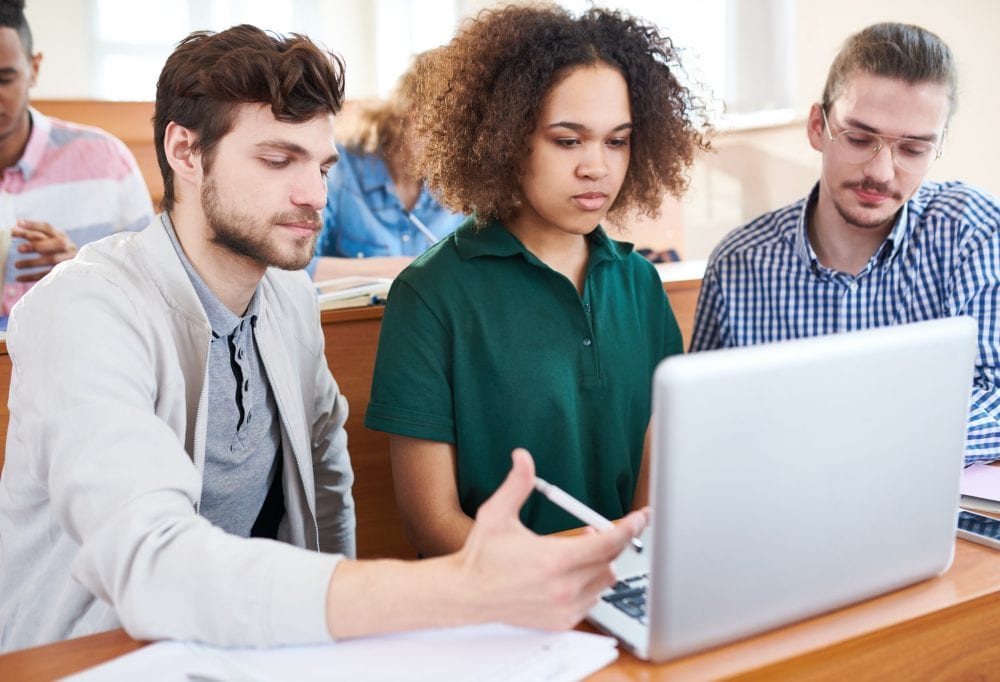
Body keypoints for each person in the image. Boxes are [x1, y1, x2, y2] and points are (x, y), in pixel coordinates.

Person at [0, 24, 646, 653]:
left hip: (252, 651)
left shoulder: (285, 298)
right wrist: (448, 587)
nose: (313, 195)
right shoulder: (84, 310)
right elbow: (151, 563)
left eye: (323, 165)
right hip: (93, 657)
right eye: (279, 160)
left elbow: (328, 496)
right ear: (185, 151)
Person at [365, 5, 710, 556]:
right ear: (505, 138)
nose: (597, 167)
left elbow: (653, 495)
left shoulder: (641, 286)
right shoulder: (431, 296)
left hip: (625, 588)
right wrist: (550, 576)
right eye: (568, 140)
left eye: (617, 141)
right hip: (501, 604)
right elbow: (432, 525)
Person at [690, 22, 1000, 464]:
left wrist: (854, 447)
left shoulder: (976, 231)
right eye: (860, 138)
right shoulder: (739, 264)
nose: (882, 172)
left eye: (912, 150)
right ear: (817, 127)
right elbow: (705, 429)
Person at [0, 0, 152, 324]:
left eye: (4, 79)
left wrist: (85, 270)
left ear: (34, 69)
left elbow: (154, 285)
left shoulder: (106, 161)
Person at [309, 51, 464, 281]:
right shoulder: (339, 170)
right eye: (440, 121)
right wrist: (408, 270)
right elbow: (296, 270)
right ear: (406, 110)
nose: (450, 140)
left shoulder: (462, 188)